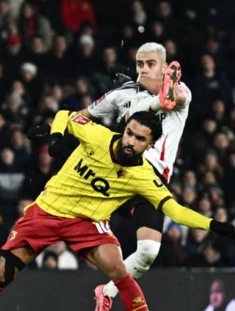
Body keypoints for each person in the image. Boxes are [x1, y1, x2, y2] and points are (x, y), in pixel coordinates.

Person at [0, 110, 235, 311]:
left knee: (118, 268)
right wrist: (57, 136)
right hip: (47, 211)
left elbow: (175, 211)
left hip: (87, 223)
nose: (130, 141)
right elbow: (65, 115)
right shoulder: (97, 135)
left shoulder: (144, 176)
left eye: (139, 139)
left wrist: (214, 225)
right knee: (3, 273)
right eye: (129, 132)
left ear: (149, 145)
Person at [76, 42, 190, 310]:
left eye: (151, 64)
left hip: (151, 180)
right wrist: (57, 130)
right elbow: (84, 115)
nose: (144, 69)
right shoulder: (122, 93)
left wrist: (147, 82)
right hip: (120, 169)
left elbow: (172, 99)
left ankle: (106, 291)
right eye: (140, 64)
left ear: (164, 68)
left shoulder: (180, 89)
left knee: (148, 252)